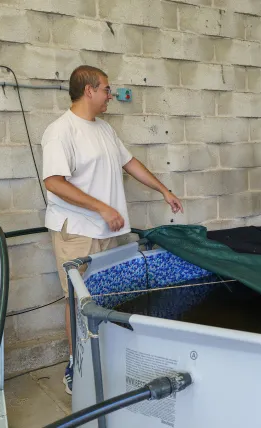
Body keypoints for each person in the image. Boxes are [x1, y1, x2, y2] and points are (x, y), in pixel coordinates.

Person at [41, 65, 184, 395]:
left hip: (108, 231)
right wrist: (102, 207)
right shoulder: (61, 131)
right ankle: (77, 366)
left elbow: (129, 162)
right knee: (78, 300)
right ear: (89, 90)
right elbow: (53, 182)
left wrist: (163, 190)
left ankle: (105, 357)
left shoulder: (104, 129)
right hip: (78, 231)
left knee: (111, 296)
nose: (111, 95)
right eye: (106, 89)